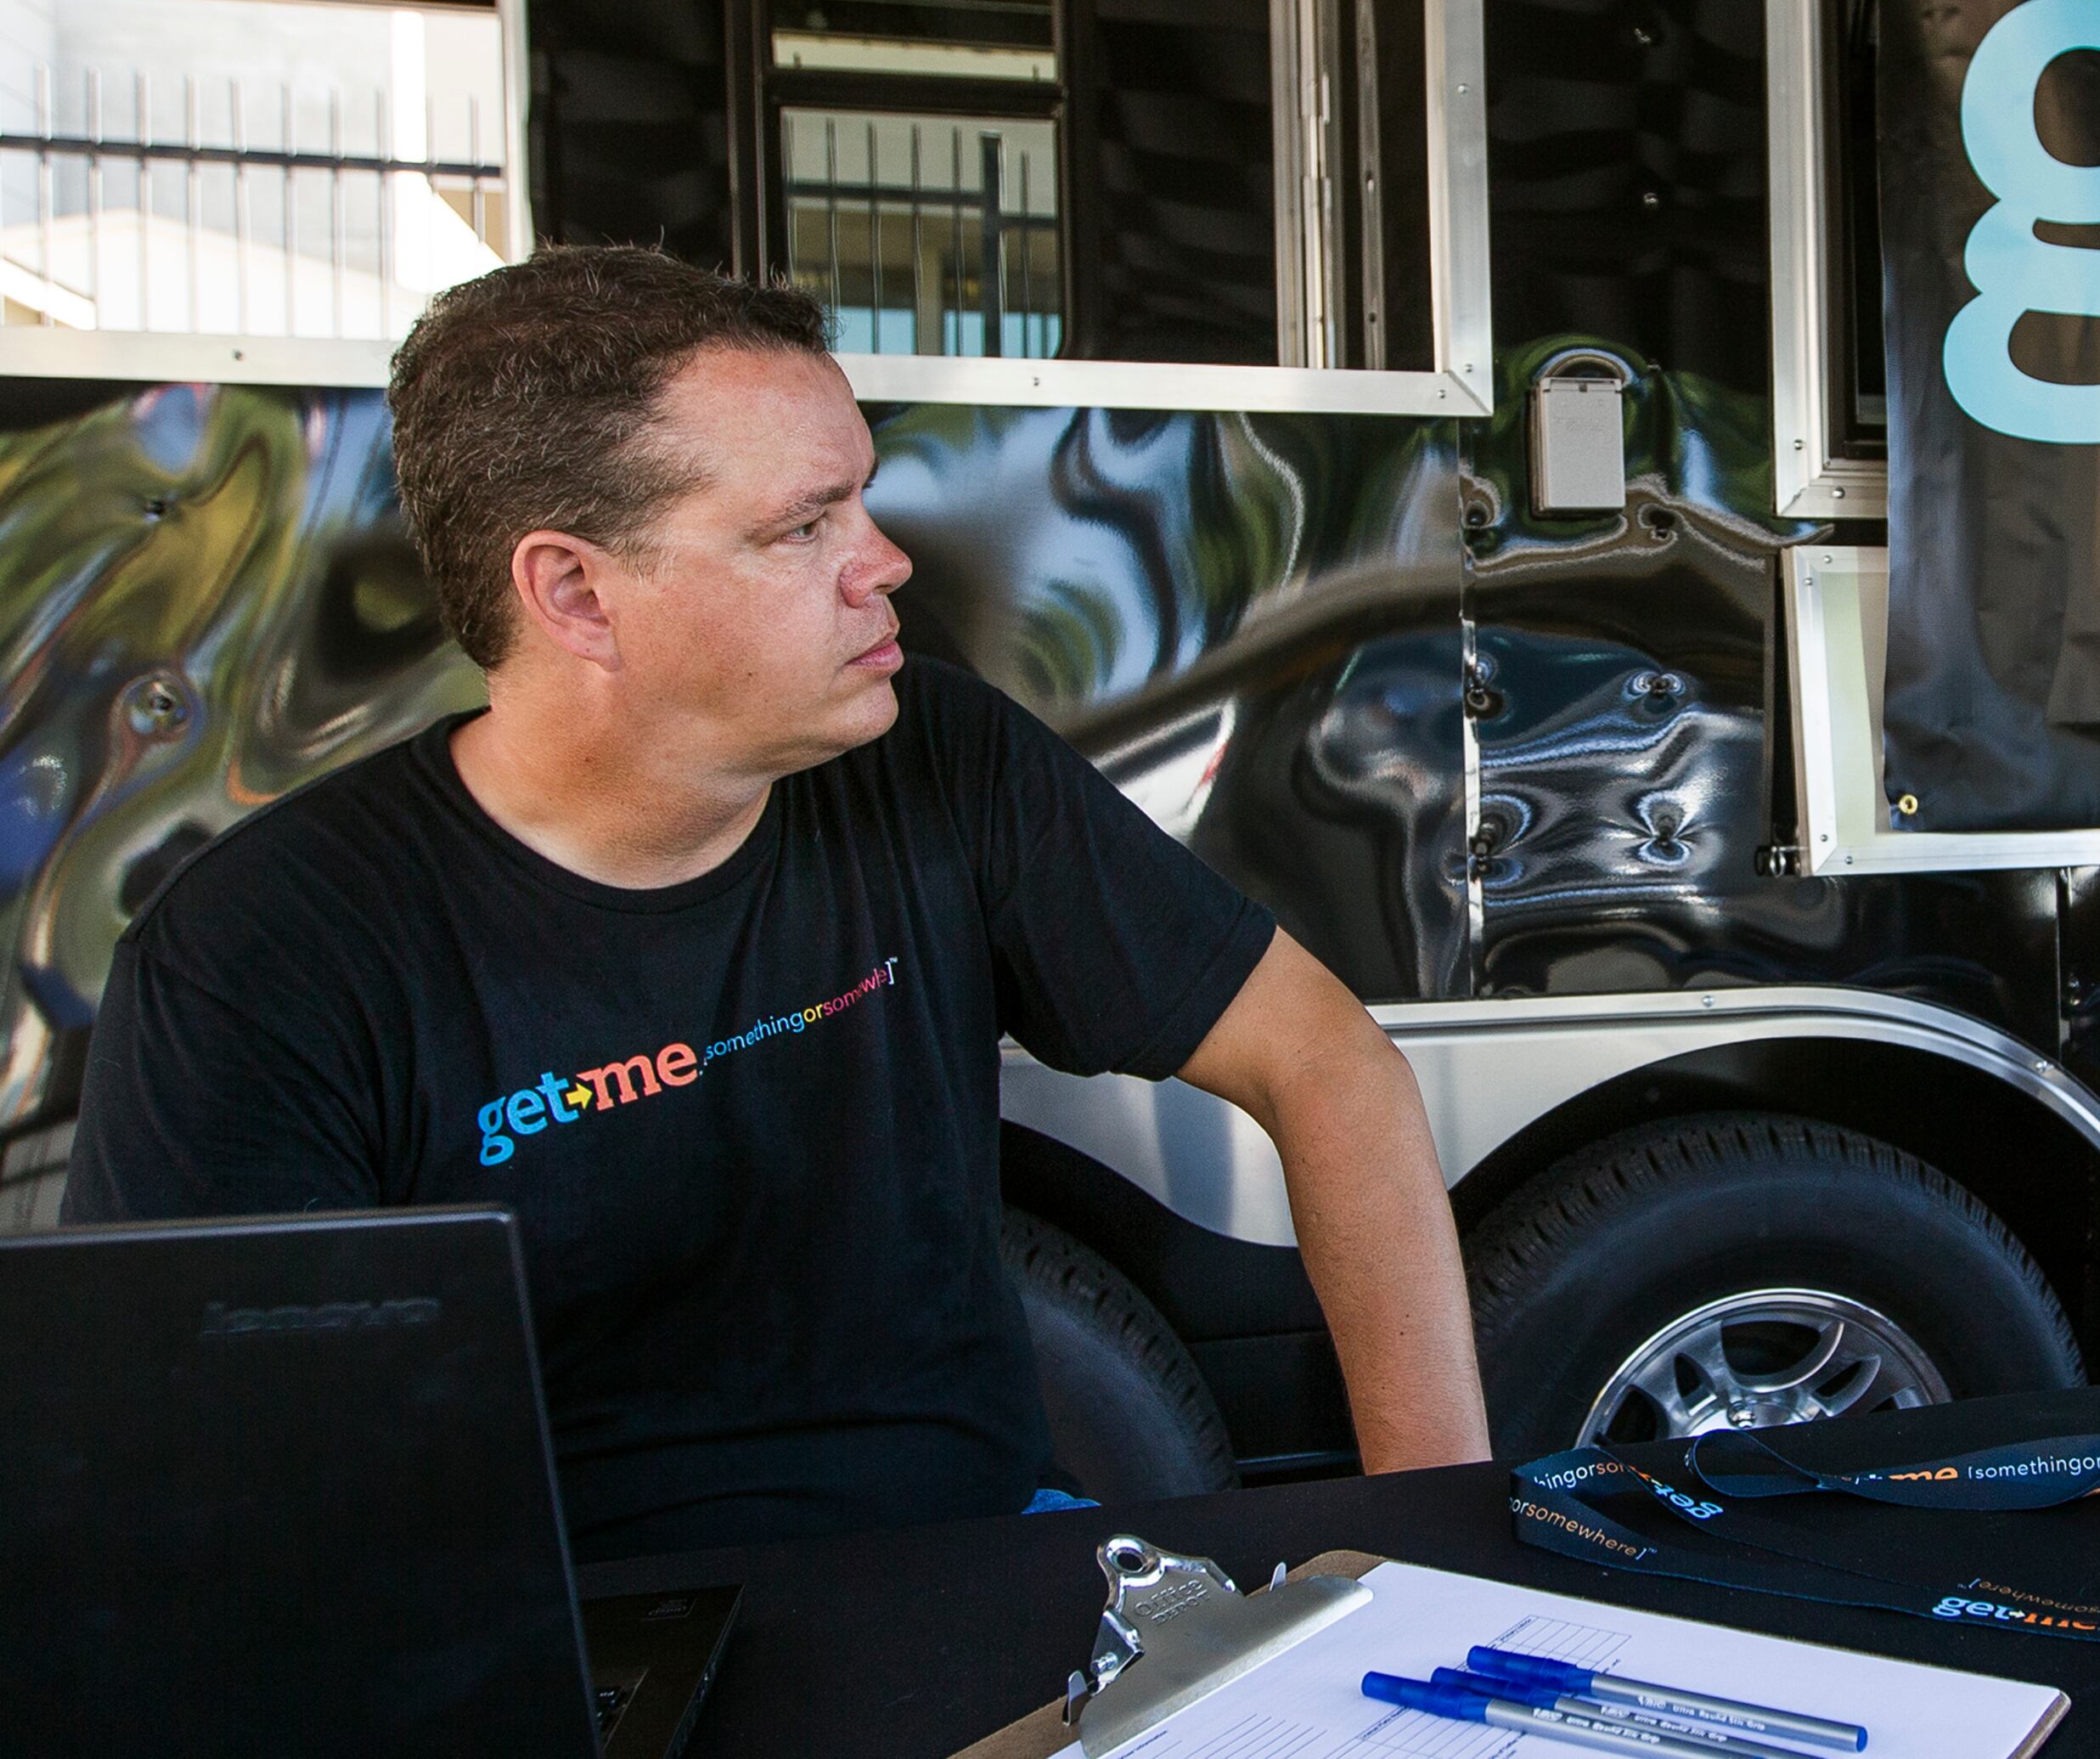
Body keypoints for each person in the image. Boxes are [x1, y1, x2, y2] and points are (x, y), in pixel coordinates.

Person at [61, 246, 1490, 1559]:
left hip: (972, 1561)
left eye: (860, 495)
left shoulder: (937, 756)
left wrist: (1432, 1543)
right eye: (804, 527)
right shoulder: (259, 958)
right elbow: (193, 1494)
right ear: (575, 595)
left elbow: (1328, 1063)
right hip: (555, 1642)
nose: (886, 562)